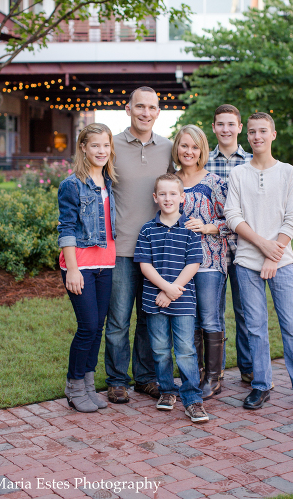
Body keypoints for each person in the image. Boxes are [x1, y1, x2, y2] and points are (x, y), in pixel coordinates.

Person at [224, 112, 293, 412]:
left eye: (263, 131)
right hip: (246, 261)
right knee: (254, 326)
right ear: (247, 136)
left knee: (292, 325)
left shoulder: (288, 172)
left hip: (282, 262)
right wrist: (263, 246)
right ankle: (260, 385)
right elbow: (232, 216)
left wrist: (274, 253)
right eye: (252, 132)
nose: (257, 136)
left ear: (273, 134)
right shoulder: (238, 174)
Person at [104, 86, 173, 404]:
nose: (146, 112)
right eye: (140, 106)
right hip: (120, 248)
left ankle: (145, 378)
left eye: (152, 107)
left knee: (148, 317)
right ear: (128, 109)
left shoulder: (168, 149)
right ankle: (117, 380)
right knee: (118, 318)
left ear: (159, 111)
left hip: (156, 250)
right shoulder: (112, 146)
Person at [134, 174, 208, 423]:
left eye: (173, 194)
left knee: (186, 350)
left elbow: (194, 263)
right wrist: (165, 289)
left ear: (182, 197)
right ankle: (166, 390)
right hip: (154, 301)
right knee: (161, 349)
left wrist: (173, 289)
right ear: (155, 198)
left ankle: (193, 399)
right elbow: (144, 265)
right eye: (162, 194)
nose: (168, 198)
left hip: (183, 300)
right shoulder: (147, 230)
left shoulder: (189, 230)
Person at [57, 123, 118, 413]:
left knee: (98, 329)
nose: (101, 151)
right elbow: (66, 228)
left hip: (106, 264)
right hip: (80, 266)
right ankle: (73, 385)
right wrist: (71, 269)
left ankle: (89, 386)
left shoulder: (109, 182)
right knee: (87, 326)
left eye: (106, 145)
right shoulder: (72, 184)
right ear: (83, 147)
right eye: (95, 145)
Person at [173, 124, 230, 399]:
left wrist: (206, 227)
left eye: (195, 147)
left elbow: (232, 222)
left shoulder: (215, 183)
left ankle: (214, 377)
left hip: (209, 261)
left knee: (209, 318)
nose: (189, 151)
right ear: (177, 147)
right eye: (185, 145)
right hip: (178, 264)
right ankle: (193, 373)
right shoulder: (169, 182)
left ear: (202, 151)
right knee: (189, 320)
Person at [206, 104, 253, 384]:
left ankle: (248, 369)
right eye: (220, 124)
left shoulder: (251, 161)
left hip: (243, 246)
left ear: (239, 128)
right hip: (210, 249)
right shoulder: (201, 160)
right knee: (213, 312)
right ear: (214, 128)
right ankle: (216, 370)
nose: (225, 129)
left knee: (246, 310)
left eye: (230, 124)